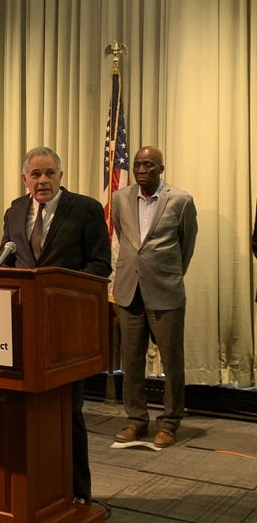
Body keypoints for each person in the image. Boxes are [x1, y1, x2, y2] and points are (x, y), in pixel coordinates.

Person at [0, 146, 111, 504]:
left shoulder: (86, 209)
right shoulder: (15, 211)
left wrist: (60, 288)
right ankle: (33, 490)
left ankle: (79, 492)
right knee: (25, 412)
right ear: (24, 178)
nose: (43, 180)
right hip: (21, 330)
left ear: (61, 176)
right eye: (36, 174)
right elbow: (7, 260)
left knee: (67, 411)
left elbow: (100, 264)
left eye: (49, 173)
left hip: (65, 329)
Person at [111, 145, 197, 448]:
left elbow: (185, 247)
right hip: (128, 290)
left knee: (172, 361)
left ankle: (170, 422)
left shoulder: (181, 201)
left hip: (165, 291)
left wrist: (166, 274)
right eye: (137, 164)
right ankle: (136, 420)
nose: (141, 170)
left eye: (148, 165)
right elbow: (124, 238)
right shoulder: (120, 198)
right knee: (131, 360)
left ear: (161, 168)